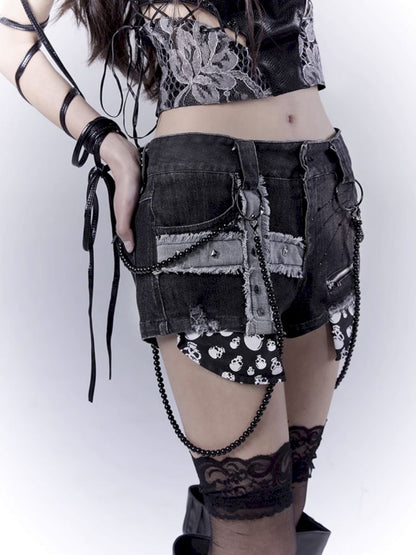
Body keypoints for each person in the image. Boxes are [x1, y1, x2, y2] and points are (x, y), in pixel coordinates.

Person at [0, 1, 365, 554]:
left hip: (322, 188)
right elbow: (10, 35)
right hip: (209, 201)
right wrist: (106, 141)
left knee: (288, 507)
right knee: (256, 530)